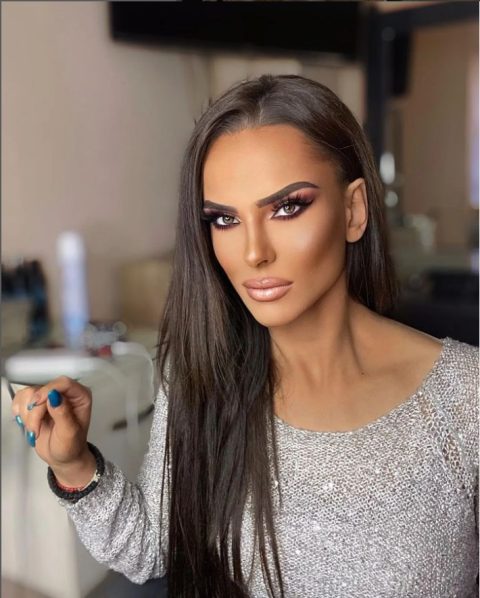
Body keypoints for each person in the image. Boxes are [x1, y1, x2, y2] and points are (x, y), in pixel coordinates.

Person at [12, 74, 478, 598]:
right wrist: (74, 464)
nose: (254, 252)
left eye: (287, 207)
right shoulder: (204, 380)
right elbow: (152, 549)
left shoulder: (465, 399)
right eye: (224, 220)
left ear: (353, 210)